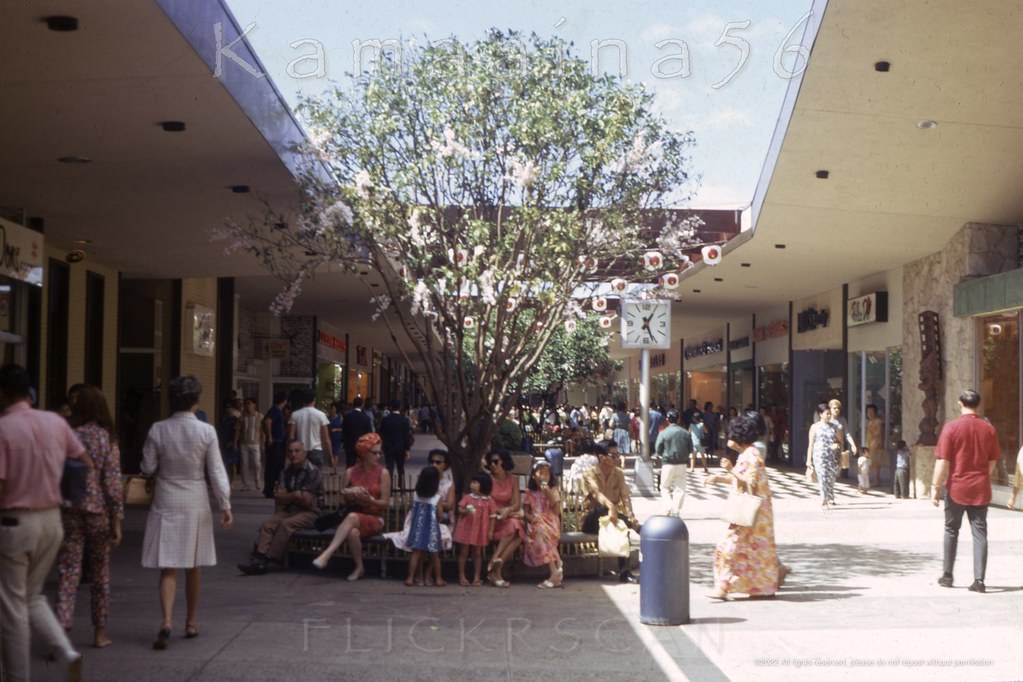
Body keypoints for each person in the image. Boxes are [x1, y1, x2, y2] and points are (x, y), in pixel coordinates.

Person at [0, 364, 88, 681]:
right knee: (32, 596)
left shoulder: (4, 428)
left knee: (11, 608)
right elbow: (83, 460)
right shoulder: (55, 422)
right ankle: (66, 652)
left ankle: (17, 677)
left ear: (3, 393)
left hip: (15, 523)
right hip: (53, 520)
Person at [141, 375, 233, 650]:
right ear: (196, 400)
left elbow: (147, 466)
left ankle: (166, 620)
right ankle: (191, 622)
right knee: (194, 564)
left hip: (166, 497)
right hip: (195, 498)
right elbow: (216, 471)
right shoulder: (206, 431)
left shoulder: (158, 429)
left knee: (169, 565)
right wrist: (225, 504)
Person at [56, 386, 124, 649]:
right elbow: (113, 482)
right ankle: (99, 632)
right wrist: (117, 520)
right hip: (98, 512)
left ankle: (61, 628)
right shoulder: (107, 438)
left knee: (69, 570)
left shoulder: (68, 434)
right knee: (100, 573)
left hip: (71, 509)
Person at [704, 412, 779, 600]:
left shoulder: (751, 455)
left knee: (729, 547)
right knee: (752, 550)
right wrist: (719, 478)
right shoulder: (749, 454)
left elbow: (748, 482)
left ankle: (723, 587)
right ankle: (760, 587)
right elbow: (740, 479)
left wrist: (729, 470)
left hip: (749, 513)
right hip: (756, 514)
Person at [932, 389, 1000, 593]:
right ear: (978, 405)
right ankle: (979, 580)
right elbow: (993, 461)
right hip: (980, 488)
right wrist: (982, 476)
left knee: (951, 530)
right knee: (980, 533)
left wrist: (935, 487)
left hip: (956, 487)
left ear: (960, 403)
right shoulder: (988, 429)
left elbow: (943, 461)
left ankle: (947, 575)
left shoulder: (951, 428)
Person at [312, 433, 390, 580]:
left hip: (375, 519)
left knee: (352, 517)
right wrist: (350, 494)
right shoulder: (350, 472)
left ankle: (327, 554)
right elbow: (342, 501)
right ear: (364, 453)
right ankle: (360, 567)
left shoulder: (383, 473)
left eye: (380, 452)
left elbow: (385, 503)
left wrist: (370, 500)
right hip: (353, 516)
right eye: (374, 453)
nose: (378, 456)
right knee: (353, 532)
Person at [237, 439, 322, 575]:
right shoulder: (286, 471)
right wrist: (294, 494)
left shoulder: (313, 471)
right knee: (267, 524)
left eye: (297, 451)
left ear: (304, 453)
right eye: (290, 451)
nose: (293, 454)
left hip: (310, 513)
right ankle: (260, 558)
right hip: (291, 510)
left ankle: (269, 559)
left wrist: (288, 496)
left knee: (286, 524)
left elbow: (306, 501)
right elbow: (278, 496)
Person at [581, 442, 639, 583]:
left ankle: (625, 572)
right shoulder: (589, 473)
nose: (616, 458)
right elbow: (596, 493)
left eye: (617, 455)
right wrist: (611, 506)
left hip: (613, 519)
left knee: (621, 526)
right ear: (601, 457)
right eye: (612, 455)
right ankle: (636, 528)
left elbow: (625, 496)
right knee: (605, 511)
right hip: (592, 519)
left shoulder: (618, 473)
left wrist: (631, 514)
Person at [485, 449, 524, 588]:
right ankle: (496, 567)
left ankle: (496, 565)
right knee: (517, 531)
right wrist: (499, 512)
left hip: (506, 517)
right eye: (490, 462)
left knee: (517, 528)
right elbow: (486, 503)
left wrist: (508, 510)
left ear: (504, 462)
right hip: (491, 519)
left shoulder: (513, 479)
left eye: (496, 462)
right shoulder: (488, 480)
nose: (493, 465)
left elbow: (516, 504)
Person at [522, 460, 564, 589]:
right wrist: (531, 518)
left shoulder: (554, 490)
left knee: (542, 532)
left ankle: (555, 573)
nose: (544, 476)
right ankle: (556, 569)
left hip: (551, 523)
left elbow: (556, 511)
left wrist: (548, 494)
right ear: (534, 476)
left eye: (547, 474)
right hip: (535, 524)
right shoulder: (529, 492)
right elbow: (525, 512)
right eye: (541, 473)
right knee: (540, 531)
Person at [402, 466, 446, 587]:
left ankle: (410, 578)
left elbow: (410, 509)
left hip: (417, 529)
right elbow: (440, 515)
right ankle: (438, 579)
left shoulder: (415, 495)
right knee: (435, 556)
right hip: (432, 531)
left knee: (415, 554)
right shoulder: (437, 498)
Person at [453, 473, 495, 587]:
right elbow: (460, 509)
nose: (472, 485)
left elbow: (492, 517)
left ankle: (476, 577)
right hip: (467, 528)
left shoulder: (489, 500)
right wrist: (466, 511)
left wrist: (490, 531)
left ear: (484, 485)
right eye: (472, 482)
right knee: (464, 552)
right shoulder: (468, 497)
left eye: (475, 483)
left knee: (477, 553)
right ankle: (462, 576)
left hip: (481, 530)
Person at [655, 410, 692, 517]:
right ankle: (676, 510)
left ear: (667, 419)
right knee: (680, 487)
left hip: (667, 463)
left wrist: (663, 455)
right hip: (682, 463)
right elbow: (690, 448)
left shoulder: (663, 433)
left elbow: (658, 448)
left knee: (665, 487)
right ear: (678, 419)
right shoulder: (685, 433)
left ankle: (668, 507)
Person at [807, 403, 844, 509]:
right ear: (820, 414)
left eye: (829, 414)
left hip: (832, 457)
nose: (829, 416)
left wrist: (838, 447)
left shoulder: (835, 427)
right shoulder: (814, 427)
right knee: (822, 477)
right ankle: (824, 500)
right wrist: (809, 460)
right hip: (819, 457)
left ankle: (830, 495)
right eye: (827, 414)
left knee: (831, 478)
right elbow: (810, 444)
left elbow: (840, 441)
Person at [289, 388, 333, 469]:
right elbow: (326, 439)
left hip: (300, 451)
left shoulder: (295, 415)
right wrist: (331, 457)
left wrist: (289, 454)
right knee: (315, 478)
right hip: (316, 450)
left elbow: (291, 437)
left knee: (300, 478)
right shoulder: (321, 415)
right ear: (314, 399)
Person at [379, 399, 414, 486]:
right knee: (401, 468)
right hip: (401, 447)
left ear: (391, 407)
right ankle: (401, 488)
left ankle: (389, 488)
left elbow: (381, 434)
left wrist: (382, 446)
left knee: (389, 468)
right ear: (400, 407)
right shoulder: (404, 420)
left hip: (388, 447)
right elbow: (406, 436)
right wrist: (407, 449)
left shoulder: (385, 420)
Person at [262, 392, 288, 499]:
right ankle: (270, 489)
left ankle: (269, 488)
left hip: (277, 442)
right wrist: (270, 436)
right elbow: (267, 421)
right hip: (275, 443)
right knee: (274, 466)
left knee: (273, 466)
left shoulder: (275, 410)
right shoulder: (276, 410)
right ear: (284, 401)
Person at [238, 398, 263, 492]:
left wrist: (263, 444)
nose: (248, 406)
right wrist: (236, 442)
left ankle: (257, 480)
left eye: (250, 404)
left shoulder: (260, 416)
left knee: (257, 463)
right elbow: (238, 429)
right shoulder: (242, 416)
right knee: (244, 464)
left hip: (256, 443)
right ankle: (246, 484)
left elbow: (262, 431)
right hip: (244, 443)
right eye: (246, 404)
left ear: (254, 405)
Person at [341, 398, 374, 468]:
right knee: (362, 466)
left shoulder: (347, 417)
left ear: (353, 405)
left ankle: (350, 478)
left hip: (350, 444)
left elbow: (344, 430)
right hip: (362, 445)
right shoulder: (366, 418)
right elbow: (369, 433)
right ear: (362, 405)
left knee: (350, 465)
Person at [218, 398, 241, 486]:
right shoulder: (224, 420)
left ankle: (232, 481)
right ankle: (226, 479)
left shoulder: (235, 420)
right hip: (223, 443)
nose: (228, 410)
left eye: (230, 408)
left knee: (232, 464)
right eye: (227, 408)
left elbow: (237, 432)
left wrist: (233, 442)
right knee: (225, 463)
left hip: (231, 443)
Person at [865, 404, 884, 485]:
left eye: (871, 412)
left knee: (876, 462)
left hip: (876, 443)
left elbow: (878, 433)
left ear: (875, 412)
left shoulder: (878, 422)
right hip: (869, 443)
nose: (869, 413)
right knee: (871, 462)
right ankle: (873, 479)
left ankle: (877, 480)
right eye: (868, 412)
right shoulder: (869, 422)